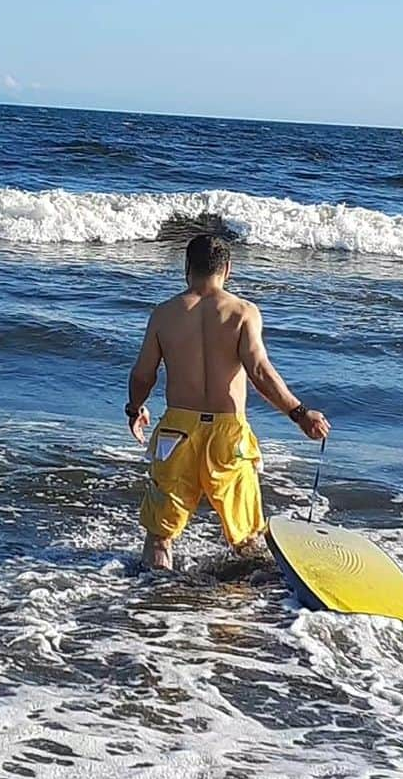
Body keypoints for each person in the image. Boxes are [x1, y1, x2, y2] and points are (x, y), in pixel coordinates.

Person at [126, 234, 330, 570]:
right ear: (228, 269)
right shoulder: (242, 313)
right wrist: (300, 413)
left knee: (160, 533)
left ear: (186, 268)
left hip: (177, 430)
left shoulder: (164, 314)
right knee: (246, 535)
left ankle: (155, 605)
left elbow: (142, 375)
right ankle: (244, 610)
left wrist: (135, 409)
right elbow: (260, 372)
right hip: (227, 431)